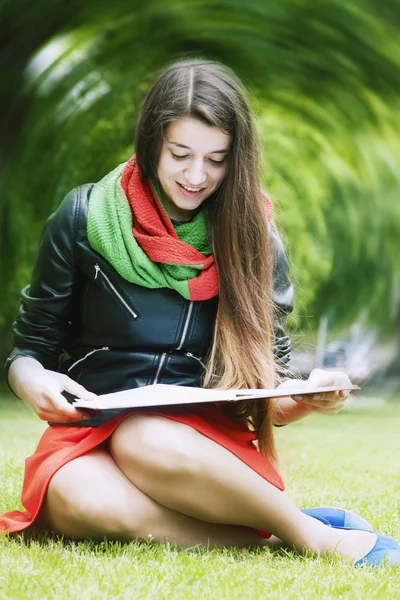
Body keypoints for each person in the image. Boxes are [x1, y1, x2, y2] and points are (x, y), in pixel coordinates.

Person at [1, 59, 399, 567]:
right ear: (151, 144)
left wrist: (306, 397)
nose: (196, 175)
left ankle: (319, 539)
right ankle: (284, 536)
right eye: (180, 154)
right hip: (90, 433)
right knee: (75, 496)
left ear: (238, 159)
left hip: (196, 443)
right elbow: (28, 350)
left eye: (217, 159)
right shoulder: (82, 218)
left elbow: (266, 387)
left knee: (143, 435)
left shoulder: (255, 239)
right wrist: (31, 379)